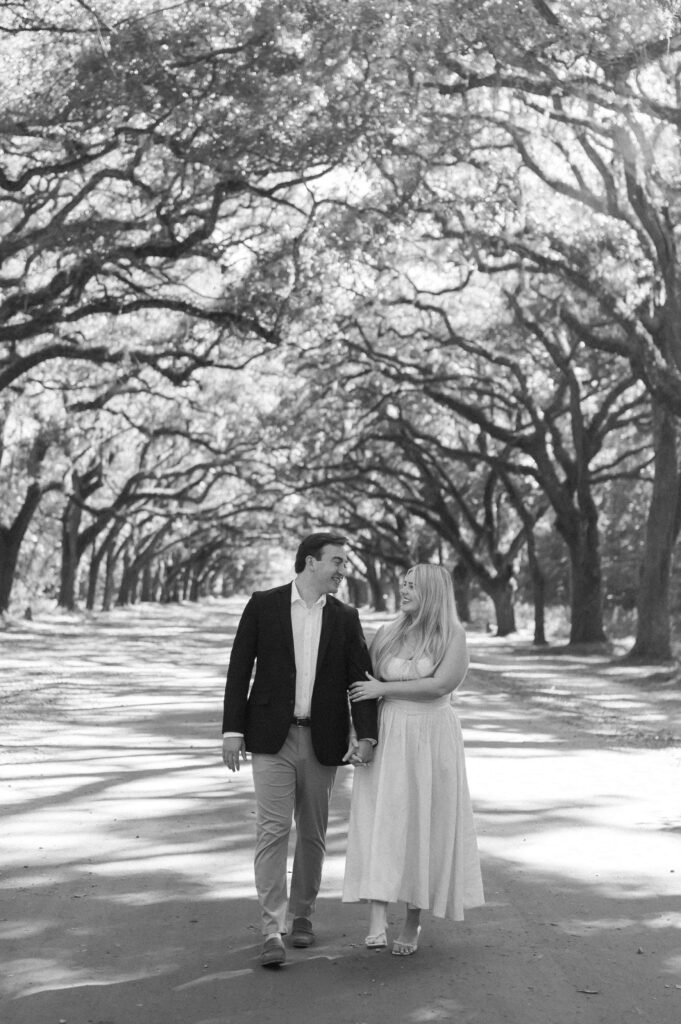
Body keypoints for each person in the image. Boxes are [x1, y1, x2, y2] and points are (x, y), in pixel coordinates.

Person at [222, 532, 378, 967]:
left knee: (312, 833)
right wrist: (232, 730)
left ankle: (302, 915)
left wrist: (366, 736)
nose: (342, 570)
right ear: (311, 562)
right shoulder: (264, 604)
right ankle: (271, 927)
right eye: (337, 561)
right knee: (272, 831)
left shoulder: (346, 617)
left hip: (322, 738)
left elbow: (359, 680)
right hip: (271, 736)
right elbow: (239, 669)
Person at [342, 563, 484, 955]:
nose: (403, 592)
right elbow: (362, 691)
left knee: (423, 824)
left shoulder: (451, 635)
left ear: (433, 593)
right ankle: (375, 916)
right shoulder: (387, 633)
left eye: (412, 587)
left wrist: (384, 687)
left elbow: (441, 685)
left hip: (432, 736)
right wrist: (360, 735)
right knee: (381, 821)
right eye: (402, 585)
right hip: (390, 731)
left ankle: (412, 922)